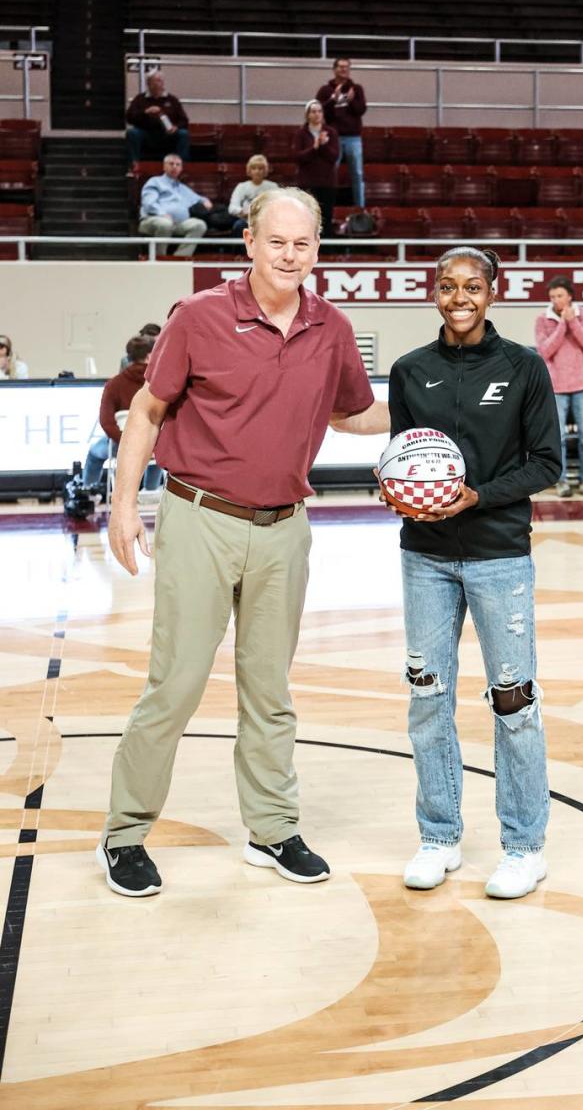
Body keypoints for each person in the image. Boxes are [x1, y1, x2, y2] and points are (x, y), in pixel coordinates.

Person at [98, 187, 389, 898]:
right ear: (250, 243)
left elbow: (351, 415)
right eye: (278, 242)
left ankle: (273, 829)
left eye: (304, 244)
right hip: (200, 518)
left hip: (285, 527)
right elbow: (148, 407)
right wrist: (123, 503)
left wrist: (431, 404)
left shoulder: (333, 327)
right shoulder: (199, 317)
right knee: (176, 685)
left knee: (271, 691)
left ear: (318, 249)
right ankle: (126, 833)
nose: (291, 255)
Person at [386, 246, 560, 901]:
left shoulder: (523, 367)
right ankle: (439, 836)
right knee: (427, 699)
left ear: (493, 292)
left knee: (513, 702)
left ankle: (524, 846)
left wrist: (478, 495)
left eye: (472, 287)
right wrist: (398, 489)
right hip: (424, 556)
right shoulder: (410, 371)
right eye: (448, 286)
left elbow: (547, 464)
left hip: (498, 555)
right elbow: (403, 456)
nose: (459, 297)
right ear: (435, 291)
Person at [535, 276, 583, 498]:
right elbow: (544, 351)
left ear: (570, 296)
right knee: (558, 439)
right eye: (552, 296)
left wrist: (573, 321)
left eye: (560, 295)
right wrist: (563, 324)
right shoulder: (543, 319)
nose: (556, 300)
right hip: (556, 387)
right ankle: (561, 481)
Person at [82, 335, 163, 493]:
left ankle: (87, 492)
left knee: (94, 454)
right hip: (153, 444)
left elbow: (106, 422)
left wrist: (126, 441)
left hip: (121, 445)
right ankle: (151, 489)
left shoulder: (114, 384)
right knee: (159, 444)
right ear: (150, 356)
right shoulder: (159, 383)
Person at [138, 153, 210, 258]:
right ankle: (159, 257)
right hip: (152, 220)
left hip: (178, 223)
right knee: (165, 224)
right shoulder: (155, 182)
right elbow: (148, 203)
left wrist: (205, 201)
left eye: (178, 164)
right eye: (171, 164)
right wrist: (162, 214)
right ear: (164, 166)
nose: (174, 167)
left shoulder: (182, 188)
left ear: (181, 168)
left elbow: (198, 198)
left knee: (199, 225)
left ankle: (179, 258)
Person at [319, 57, 367, 209]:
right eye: (340, 67)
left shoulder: (356, 89)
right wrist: (333, 99)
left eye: (346, 67)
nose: (343, 70)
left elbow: (361, 110)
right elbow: (319, 111)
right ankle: (327, 206)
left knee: (358, 174)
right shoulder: (325, 90)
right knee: (330, 173)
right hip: (334, 137)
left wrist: (352, 100)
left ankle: (360, 208)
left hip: (353, 138)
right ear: (334, 69)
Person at [125, 71, 191, 169]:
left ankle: (182, 165)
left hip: (167, 135)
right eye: (156, 81)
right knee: (132, 133)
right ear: (149, 83)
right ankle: (134, 164)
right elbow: (129, 118)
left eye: (160, 81)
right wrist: (145, 113)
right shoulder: (140, 99)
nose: (159, 84)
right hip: (146, 133)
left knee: (183, 134)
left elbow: (184, 120)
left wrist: (175, 127)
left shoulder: (172, 99)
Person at [295, 100, 340, 238]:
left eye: (319, 111)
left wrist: (324, 145)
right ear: (307, 115)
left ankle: (326, 252)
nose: (317, 114)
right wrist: (314, 148)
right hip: (307, 183)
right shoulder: (301, 133)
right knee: (306, 219)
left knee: (325, 218)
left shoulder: (331, 132)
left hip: (327, 183)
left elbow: (334, 156)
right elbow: (298, 157)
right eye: (313, 111)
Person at [228, 154, 279, 234]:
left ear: (265, 170)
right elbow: (232, 207)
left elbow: (278, 206)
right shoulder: (241, 186)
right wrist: (242, 212)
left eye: (260, 168)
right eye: (254, 168)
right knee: (239, 226)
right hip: (246, 220)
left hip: (267, 220)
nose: (257, 171)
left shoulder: (273, 186)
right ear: (249, 170)